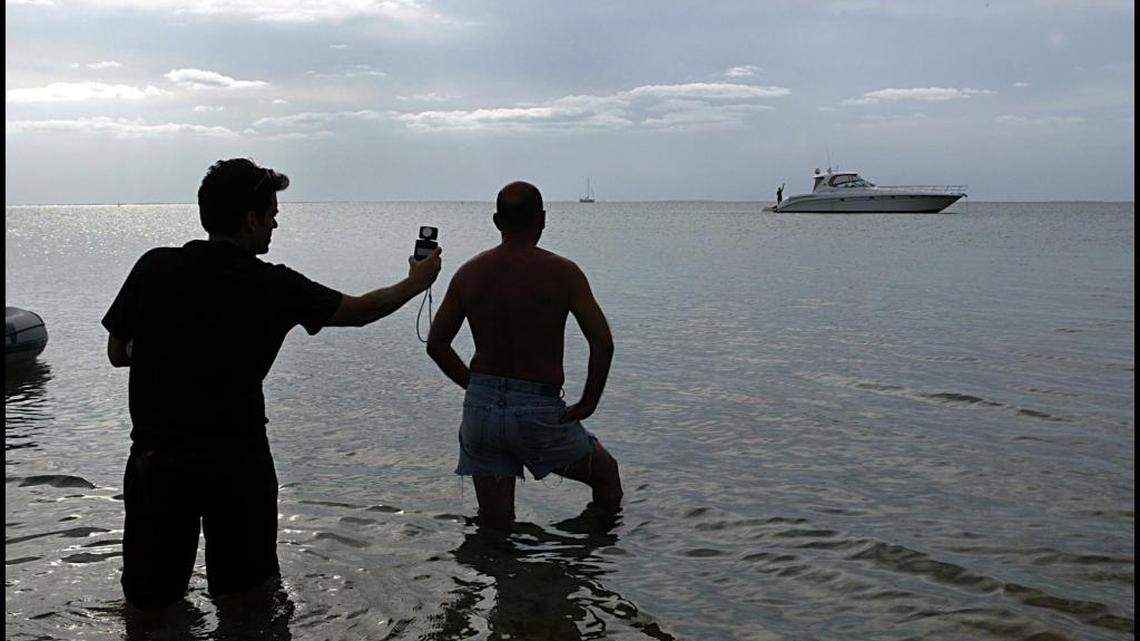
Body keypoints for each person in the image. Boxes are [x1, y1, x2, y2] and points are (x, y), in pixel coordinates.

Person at [102, 158, 442, 612]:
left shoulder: (154, 267)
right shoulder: (273, 286)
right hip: (237, 463)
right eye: (273, 213)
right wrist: (415, 283)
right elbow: (359, 311)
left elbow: (115, 353)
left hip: (156, 462)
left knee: (149, 606)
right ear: (251, 219)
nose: (276, 223)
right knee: (248, 604)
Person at [426, 180, 622, 532]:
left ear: (496, 221)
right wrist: (589, 402)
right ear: (542, 219)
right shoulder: (564, 273)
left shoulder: (469, 273)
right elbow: (602, 343)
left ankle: (506, 575)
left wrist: (474, 385)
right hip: (537, 411)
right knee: (606, 478)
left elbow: (437, 344)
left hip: (481, 412)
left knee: (495, 523)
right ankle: (580, 559)